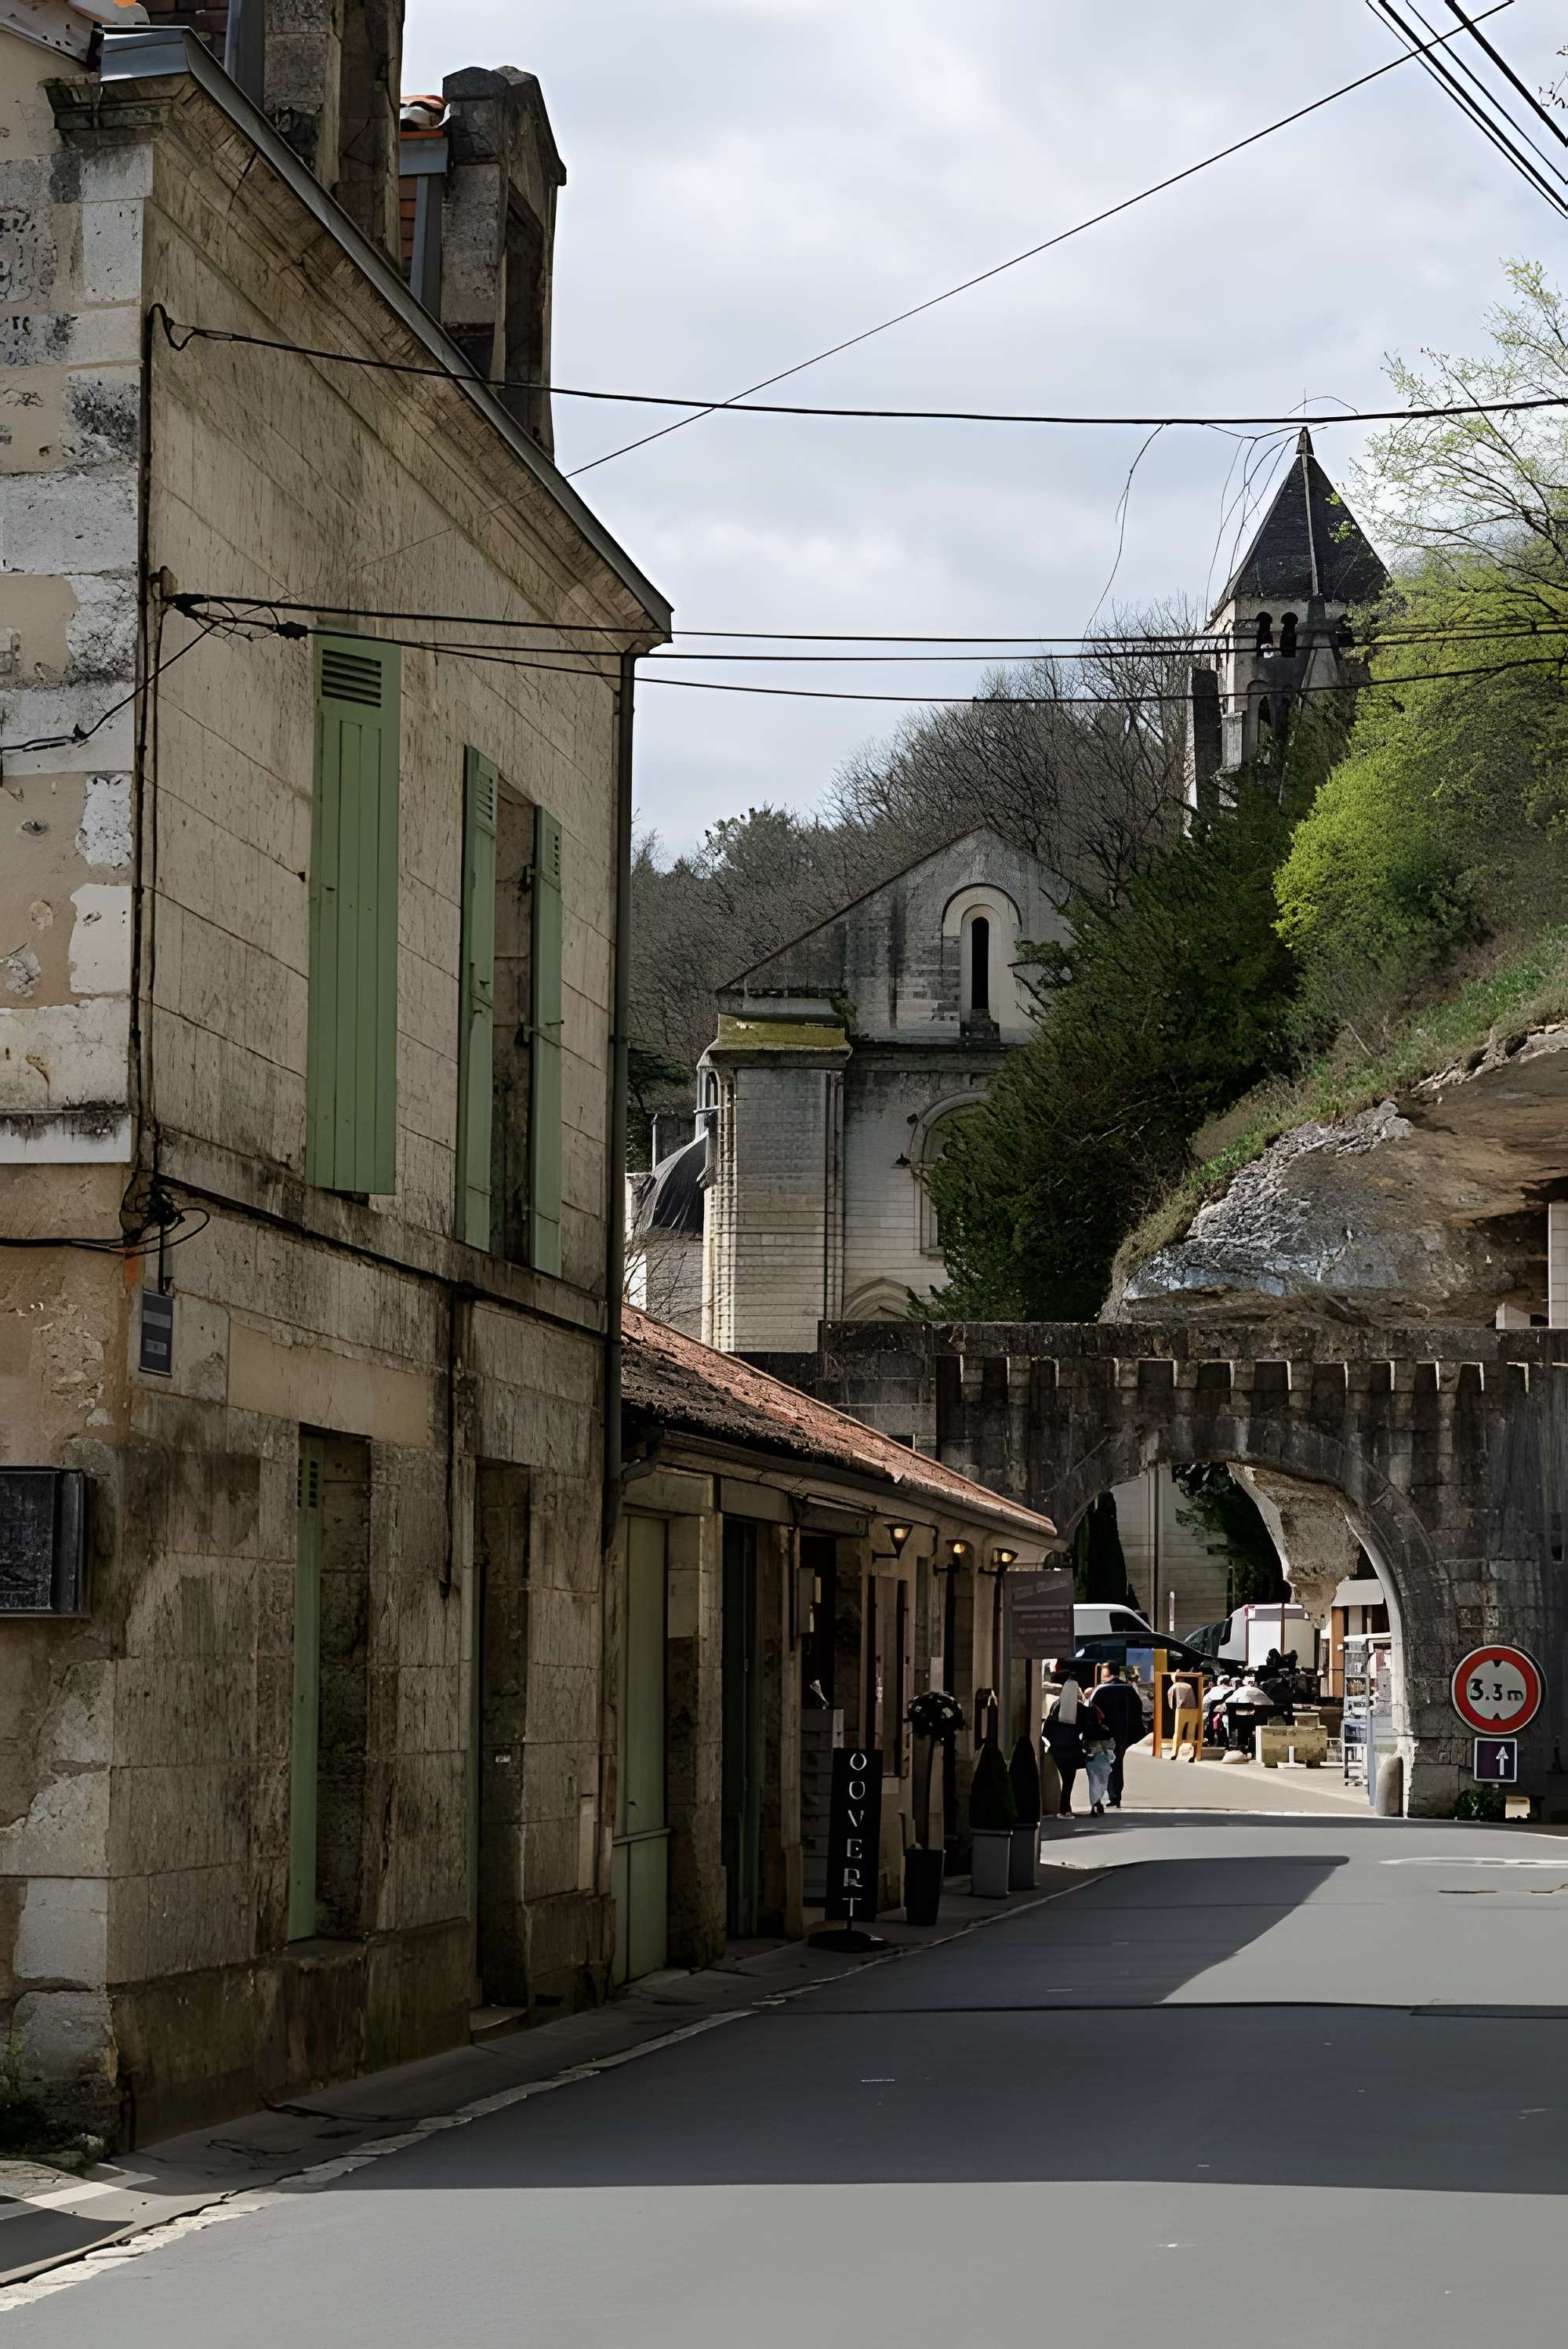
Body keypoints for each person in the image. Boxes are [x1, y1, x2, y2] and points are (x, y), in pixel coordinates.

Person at [1091, 1662, 1145, 1810]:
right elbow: (1138, 1709)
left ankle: (1108, 1796)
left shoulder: (1102, 1689)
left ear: (1107, 1672)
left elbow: (1092, 1709)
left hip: (1105, 1733)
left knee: (1104, 1764)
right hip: (1124, 1733)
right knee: (1118, 1762)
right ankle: (1116, 1796)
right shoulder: (1128, 1689)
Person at [1043, 1676, 1087, 1815]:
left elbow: (1047, 1730)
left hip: (1056, 1749)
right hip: (1072, 1749)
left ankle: (1062, 1806)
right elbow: (1087, 1727)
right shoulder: (1080, 1709)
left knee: (1062, 1778)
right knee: (1069, 1780)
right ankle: (1065, 1807)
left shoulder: (1056, 1706)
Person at [1081, 1697, 1117, 1815]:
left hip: (1091, 1759)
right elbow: (1111, 1744)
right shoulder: (1104, 1730)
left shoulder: (1086, 1730)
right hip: (1103, 1759)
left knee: (1093, 1783)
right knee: (1102, 1783)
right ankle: (1098, 1802)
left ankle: (1094, 1804)